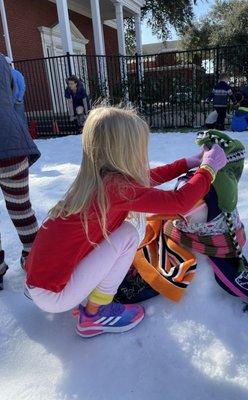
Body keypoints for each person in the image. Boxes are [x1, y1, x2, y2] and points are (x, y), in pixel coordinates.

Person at [25, 106, 227, 338]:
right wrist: (208, 170)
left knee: (124, 232)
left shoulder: (96, 181)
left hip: (42, 283)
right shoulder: (115, 189)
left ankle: (89, 297)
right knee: (129, 234)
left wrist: (187, 163)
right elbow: (179, 202)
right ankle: (95, 314)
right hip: (53, 294)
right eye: (139, 147)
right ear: (125, 151)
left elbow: (143, 181)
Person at [0, 54, 40, 288]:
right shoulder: (4, 62)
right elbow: (16, 96)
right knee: (21, 207)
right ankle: (33, 258)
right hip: (12, 142)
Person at [5, 56, 27, 125]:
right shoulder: (4, 76)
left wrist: (19, 99)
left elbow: (22, 86)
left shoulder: (17, 73)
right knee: (12, 121)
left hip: (17, 101)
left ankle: (24, 135)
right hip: (8, 101)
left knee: (20, 119)